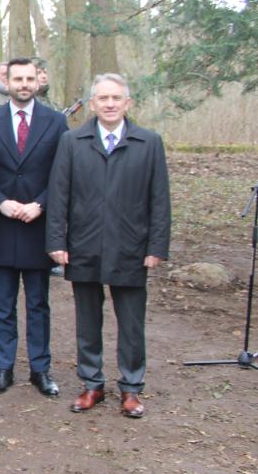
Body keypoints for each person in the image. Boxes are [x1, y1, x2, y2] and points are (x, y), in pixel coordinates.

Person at [46, 73, 170, 419]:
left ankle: (131, 388)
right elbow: (58, 196)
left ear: (127, 103)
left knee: (131, 323)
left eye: (117, 98)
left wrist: (156, 246)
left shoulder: (149, 142)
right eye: (103, 98)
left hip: (131, 247)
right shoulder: (72, 141)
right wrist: (56, 241)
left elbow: (159, 200)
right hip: (84, 244)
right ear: (92, 104)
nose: (110, 104)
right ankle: (92, 384)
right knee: (87, 320)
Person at [0, 58, 69, 398]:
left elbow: (62, 173)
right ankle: (4, 367)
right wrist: (0, 202)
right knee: (2, 304)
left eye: (30, 78)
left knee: (38, 304)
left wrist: (40, 204)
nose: (24, 84)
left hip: (38, 225)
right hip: (2, 224)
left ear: (38, 83)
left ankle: (40, 369)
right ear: (7, 80)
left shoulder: (57, 122)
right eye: (18, 78)